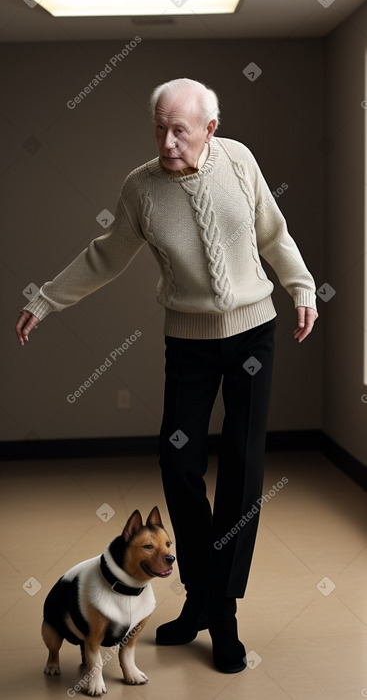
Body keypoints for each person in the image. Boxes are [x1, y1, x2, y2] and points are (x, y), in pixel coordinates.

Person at [16, 77, 318, 674]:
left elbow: (273, 233)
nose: (167, 140)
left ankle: (221, 611)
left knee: (243, 464)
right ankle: (201, 596)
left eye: (179, 129)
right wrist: (46, 300)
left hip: (254, 331)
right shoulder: (142, 188)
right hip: (189, 340)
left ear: (211, 127)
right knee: (178, 465)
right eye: (158, 127)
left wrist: (301, 285)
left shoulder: (239, 161)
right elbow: (106, 254)